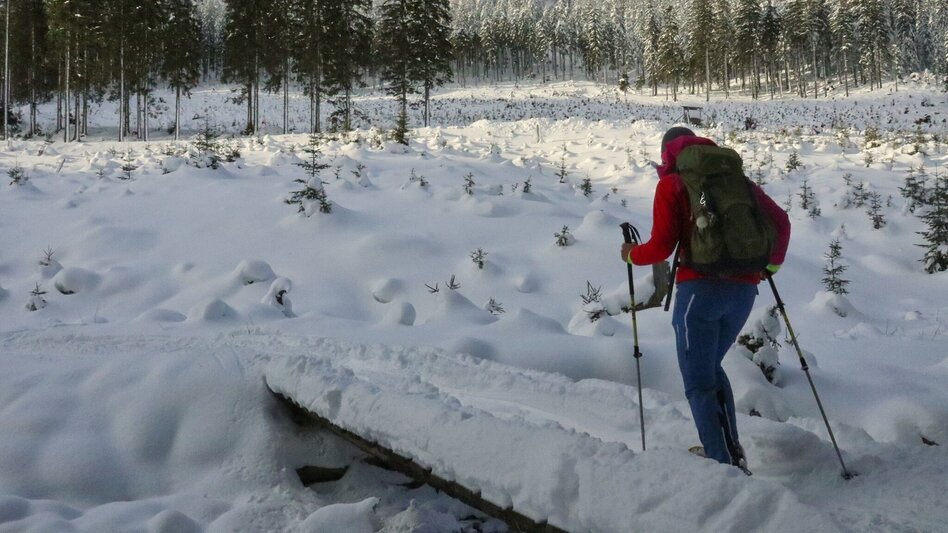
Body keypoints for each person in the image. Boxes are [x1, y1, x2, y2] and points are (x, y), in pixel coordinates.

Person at [620, 127, 791, 468]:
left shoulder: (672, 184)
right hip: (744, 292)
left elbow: (661, 246)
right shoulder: (736, 180)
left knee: (698, 382)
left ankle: (721, 461)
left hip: (699, 293)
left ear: (668, 153)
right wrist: (769, 268)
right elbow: (781, 222)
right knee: (710, 369)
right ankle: (727, 449)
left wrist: (630, 255)